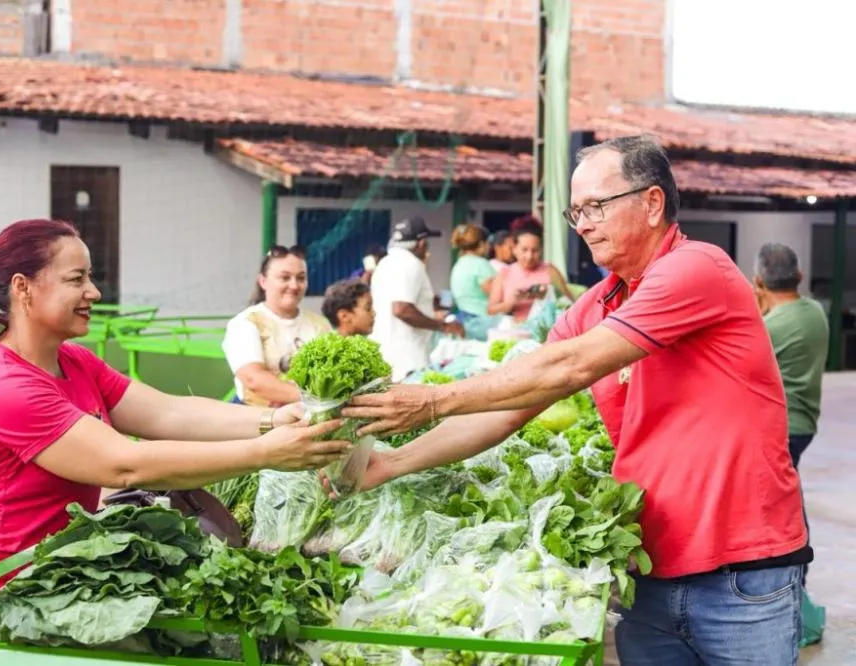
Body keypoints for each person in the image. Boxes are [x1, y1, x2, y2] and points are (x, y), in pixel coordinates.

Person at [341, 136, 810, 666]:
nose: (582, 224)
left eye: (595, 207)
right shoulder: (596, 305)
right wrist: (389, 463)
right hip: (648, 570)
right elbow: (509, 407)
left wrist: (432, 400)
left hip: (741, 575)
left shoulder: (699, 269)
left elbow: (569, 366)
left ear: (652, 203)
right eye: (576, 211)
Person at [0, 219, 349, 645]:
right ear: (23, 287)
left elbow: (169, 413)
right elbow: (126, 465)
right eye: (77, 279)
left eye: (90, 277)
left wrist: (273, 420)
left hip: (51, 590)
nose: (93, 292)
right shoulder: (3, 386)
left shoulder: (73, 362)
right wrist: (266, 453)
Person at [222, 246, 332, 406]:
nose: (294, 286)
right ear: (263, 281)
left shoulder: (319, 324)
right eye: (284, 278)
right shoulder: (246, 323)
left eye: (301, 278)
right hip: (256, 421)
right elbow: (253, 379)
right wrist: (315, 400)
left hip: (309, 418)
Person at [754, 243, 829, 468]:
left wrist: (758, 311)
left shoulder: (766, 328)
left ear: (758, 282)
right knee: (789, 490)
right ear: (800, 275)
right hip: (805, 425)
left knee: (781, 499)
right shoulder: (817, 312)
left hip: (780, 428)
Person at [370, 216, 464, 382]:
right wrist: (443, 326)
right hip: (407, 358)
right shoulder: (410, 263)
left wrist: (430, 302)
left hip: (384, 352)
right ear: (421, 243)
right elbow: (402, 310)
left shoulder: (385, 263)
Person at [488, 223, 575, 322]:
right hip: (515, 330)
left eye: (535, 251)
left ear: (541, 250)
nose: (529, 256)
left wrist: (549, 294)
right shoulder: (505, 273)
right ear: (514, 249)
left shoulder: (550, 270)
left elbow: (570, 304)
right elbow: (490, 310)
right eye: (524, 250)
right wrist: (510, 303)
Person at [449, 223, 500, 341]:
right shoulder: (481, 265)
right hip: (483, 323)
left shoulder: (459, 264)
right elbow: (495, 295)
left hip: (463, 319)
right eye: (488, 243)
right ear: (482, 244)